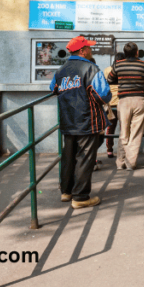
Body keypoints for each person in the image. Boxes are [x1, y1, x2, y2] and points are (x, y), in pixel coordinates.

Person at [50, 35, 111, 209]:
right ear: (83, 51)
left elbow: (52, 88)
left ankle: (66, 191)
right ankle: (81, 197)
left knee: (68, 157)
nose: (91, 50)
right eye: (89, 48)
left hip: (68, 120)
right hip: (87, 120)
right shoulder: (91, 68)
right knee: (85, 157)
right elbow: (103, 95)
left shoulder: (60, 71)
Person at [108, 42, 144, 170]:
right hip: (139, 100)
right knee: (136, 133)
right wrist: (143, 79)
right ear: (137, 53)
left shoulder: (118, 65)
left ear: (125, 54)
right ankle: (131, 163)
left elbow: (110, 79)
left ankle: (120, 163)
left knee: (123, 132)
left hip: (124, 101)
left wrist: (121, 79)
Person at [102, 52, 124, 159]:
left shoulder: (107, 70)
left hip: (109, 103)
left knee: (110, 127)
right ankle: (123, 151)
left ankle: (109, 150)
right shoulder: (124, 70)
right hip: (122, 102)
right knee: (123, 127)